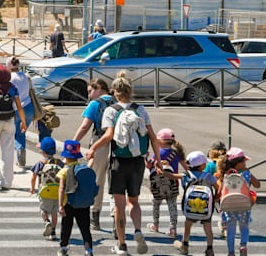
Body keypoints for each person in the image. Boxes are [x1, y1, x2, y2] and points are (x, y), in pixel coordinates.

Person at [85, 72, 160, 255]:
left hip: (118, 161)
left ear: (115, 93)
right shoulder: (140, 109)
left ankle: (122, 244)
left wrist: (93, 148)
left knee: (119, 204)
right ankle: (138, 230)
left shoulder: (111, 110)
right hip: (137, 162)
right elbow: (152, 136)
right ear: (130, 90)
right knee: (133, 201)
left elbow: (108, 136)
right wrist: (158, 159)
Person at [72, 78, 114, 230]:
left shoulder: (96, 104)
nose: (89, 95)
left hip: (100, 143)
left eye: (90, 91)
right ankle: (116, 217)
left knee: (97, 180)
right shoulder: (118, 101)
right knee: (115, 182)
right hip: (119, 145)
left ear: (98, 88)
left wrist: (74, 143)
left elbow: (85, 127)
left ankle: (95, 216)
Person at [217, 147, 261, 256]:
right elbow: (258, 185)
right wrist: (250, 174)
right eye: (243, 161)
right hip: (244, 205)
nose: (245, 163)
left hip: (229, 206)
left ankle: (231, 252)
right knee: (244, 227)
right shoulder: (246, 174)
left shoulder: (226, 175)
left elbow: (219, 192)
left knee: (230, 230)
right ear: (238, 163)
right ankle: (243, 246)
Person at [57, 139, 97, 256]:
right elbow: (91, 164)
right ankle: (88, 250)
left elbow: (61, 189)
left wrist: (60, 205)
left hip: (69, 204)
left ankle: (63, 248)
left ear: (66, 157)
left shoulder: (64, 171)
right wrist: (92, 157)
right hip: (84, 204)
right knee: (85, 228)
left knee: (66, 227)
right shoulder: (84, 168)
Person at [147, 128, 189, 238]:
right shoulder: (177, 153)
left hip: (157, 184)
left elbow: (149, 166)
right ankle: (173, 229)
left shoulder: (157, 153)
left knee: (156, 204)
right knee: (172, 205)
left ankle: (155, 225)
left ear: (159, 141)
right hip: (172, 184)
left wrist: (146, 159)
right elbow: (187, 168)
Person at [175, 151, 218, 256]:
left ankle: (185, 245)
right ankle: (209, 249)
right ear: (201, 166)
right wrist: (215, 198)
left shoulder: (186, 175)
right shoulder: (208, 176)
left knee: (188, 226)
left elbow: (173, 176)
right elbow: (218, 187)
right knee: (208, 228)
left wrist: (162, 172)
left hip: (191, 206)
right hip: (205, 207)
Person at [30, 137, 63, 240]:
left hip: (45, 192)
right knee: (54, 212)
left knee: (43, 210)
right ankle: (53, 232)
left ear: (43, 151)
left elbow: (33, 177)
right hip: (57, 192)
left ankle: (46, 222)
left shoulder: (40, 163)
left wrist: (32, 188)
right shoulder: (59, 163)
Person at [8, 56, 35, 167]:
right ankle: (21, 152)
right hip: (29, 107)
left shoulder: (10, 78)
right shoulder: (25, 76)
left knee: (15, 134)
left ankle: (19, 151)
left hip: (17, 109)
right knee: (22, 132)